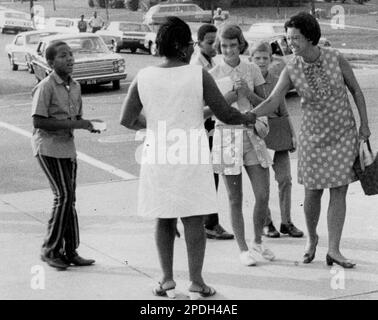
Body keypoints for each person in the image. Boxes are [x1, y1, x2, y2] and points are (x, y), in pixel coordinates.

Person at [119, 17, 256, 299]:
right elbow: (224, 113)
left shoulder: (144, 76)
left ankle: (166, 279)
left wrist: (155, 125)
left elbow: (126, 119)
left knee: (164, 217)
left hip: (158, 150)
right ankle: (196, 281)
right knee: (193, 218)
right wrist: (249, 117)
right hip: (191, 151)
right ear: (183, 47)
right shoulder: (197, 74)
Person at [252, 12, 370, 268]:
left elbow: (357, 90)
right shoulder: (291, 67)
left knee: (339, 190)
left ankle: (335, 250)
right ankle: (312, 238)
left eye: (295, 37)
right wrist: (248, 115)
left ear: (309, 36)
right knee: (313, 192)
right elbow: (274, 100)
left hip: (343, 134)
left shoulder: (335, 57)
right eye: (288, 37)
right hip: (313, 137)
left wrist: (365, 127)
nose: (290, 42)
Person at [210, 24, 275, 267]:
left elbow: (267, 104)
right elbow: (209, 111)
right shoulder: (213, 73)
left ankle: (258, 241)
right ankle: (243, 248)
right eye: (224, 45)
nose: (228, 50)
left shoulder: (252, 68)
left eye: (233, 45)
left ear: (241, 45)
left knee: (262, 194)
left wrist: (247, 93)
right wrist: (229, 98)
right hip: (226, 136)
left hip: (252, 133)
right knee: (234, 198)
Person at [31, 41, 99, 270]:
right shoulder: (46, 86)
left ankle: (70, 250)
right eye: (62, 56)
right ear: (50, 62)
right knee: (64, 196)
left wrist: (87, 125)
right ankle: (50, 249)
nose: (69, 59)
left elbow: (75, 119)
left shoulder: (76, 86)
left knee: (70, 198)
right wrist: (77, 123)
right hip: (48, 147)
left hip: (67, 148)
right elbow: (38, 120)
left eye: (71, 55)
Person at [250, 41, 304, 238]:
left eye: (265, 58)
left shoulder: (276, 80)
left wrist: (291, 134)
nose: (262, 62)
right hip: (257, 134)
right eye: (257, 58)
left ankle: (286, 221)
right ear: (251, 59)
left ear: (271, 59)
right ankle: (266, 222)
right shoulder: (248, 82)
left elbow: (283, 109)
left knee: (285, 179)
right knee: (262, 185)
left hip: (277, 133)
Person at [190, 23, 234, 240]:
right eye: (209, 43)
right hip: (203, 124)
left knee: (213, 173)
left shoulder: (211, 62)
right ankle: (209, 223)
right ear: (198, 44)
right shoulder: (197, 65)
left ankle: (210, 221)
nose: (214, 46)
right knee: (208, 174)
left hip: (211, 122)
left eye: (215, 41)